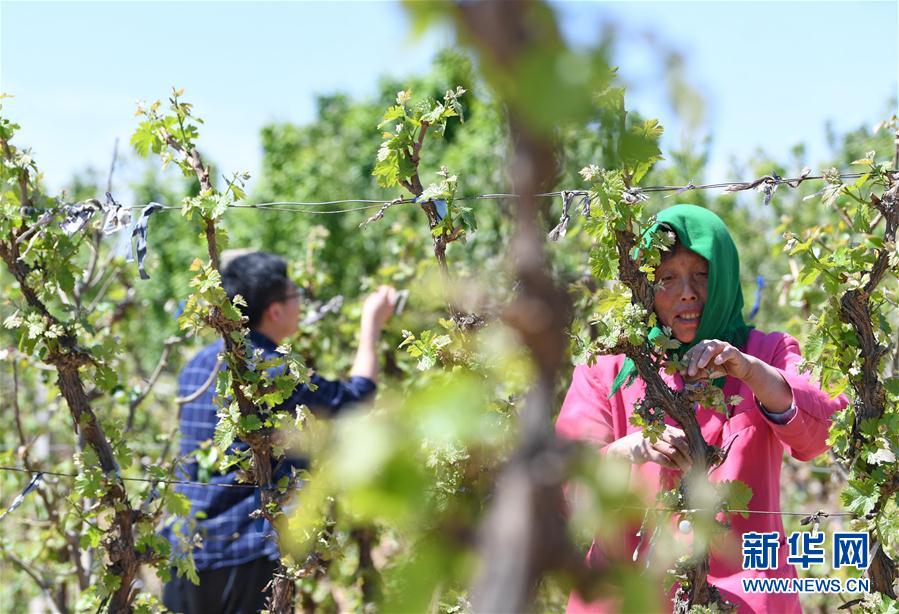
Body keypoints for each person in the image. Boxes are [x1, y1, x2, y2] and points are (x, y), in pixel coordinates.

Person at [555, 204, 847, 613]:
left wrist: (749, 371)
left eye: (702, 275)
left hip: (745, 596)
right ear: (645, 286)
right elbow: (563, 481)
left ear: (725, 276)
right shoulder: (610, 369)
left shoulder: (767, 353)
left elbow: (821, 431)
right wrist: (628, 451)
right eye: (667, 278)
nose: (687, 292)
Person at [162, 251, 397, 614]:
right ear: (274, 310)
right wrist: (372, 324)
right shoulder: (271, 368)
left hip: (185, 554)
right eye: (294, 295)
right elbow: (354, 402)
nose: (300, 302)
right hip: (242, 558)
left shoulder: (196, 366)